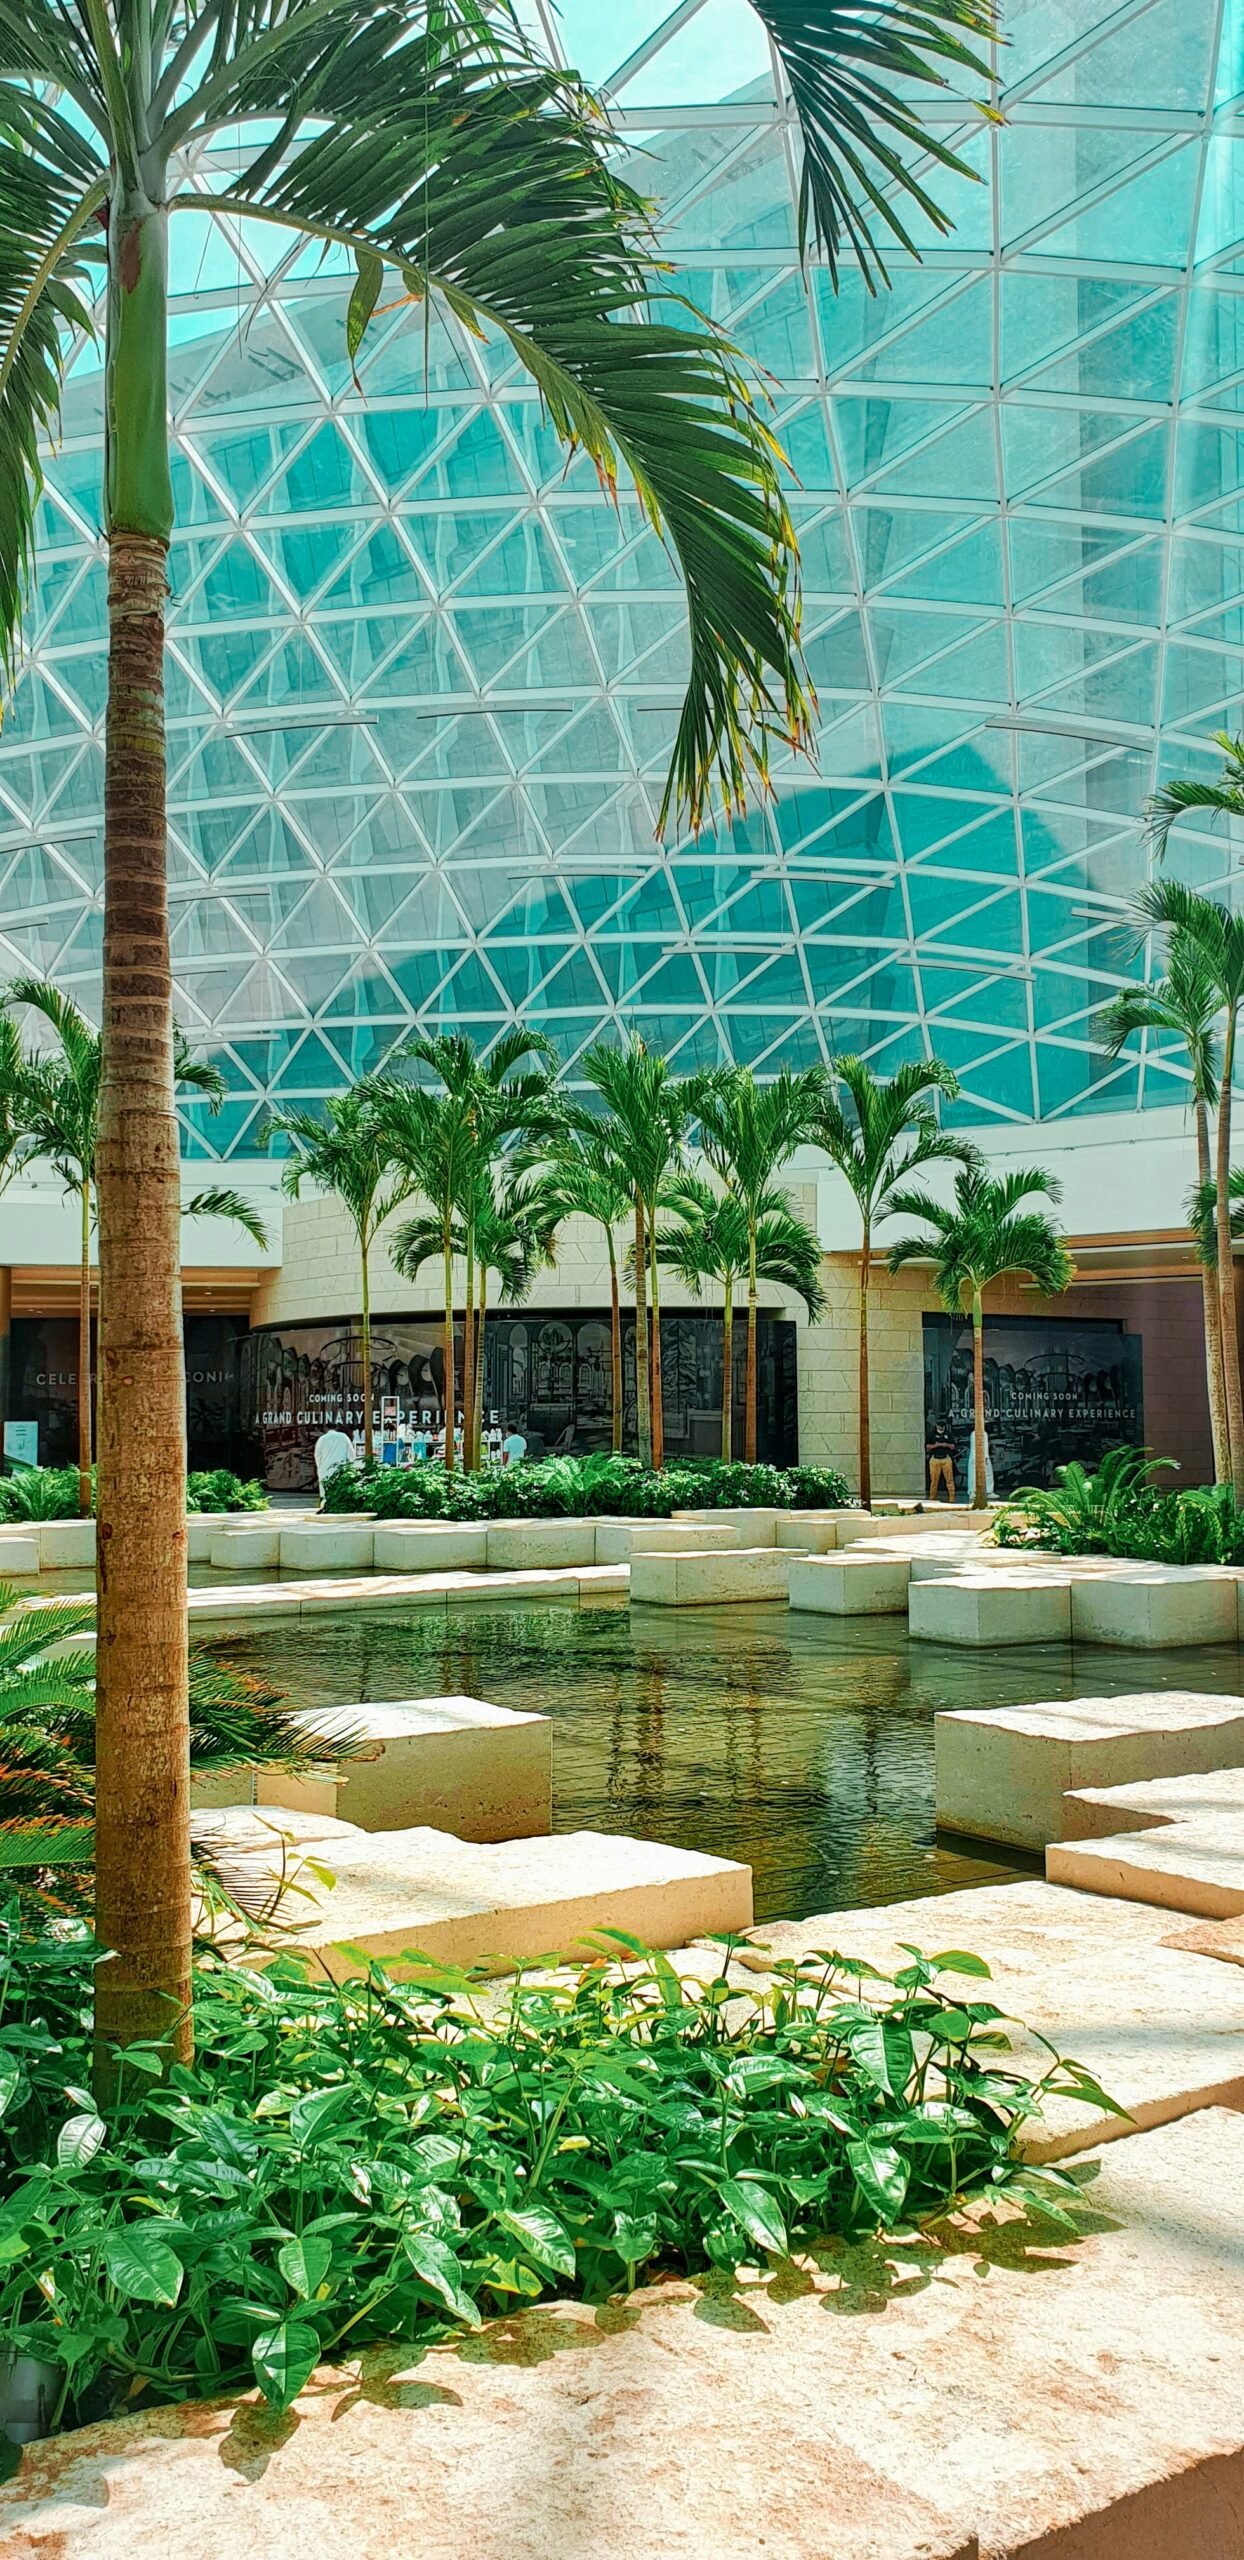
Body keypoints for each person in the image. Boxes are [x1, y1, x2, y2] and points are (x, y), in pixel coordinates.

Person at [314, 1426, 357, 1506]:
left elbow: (317, 1455)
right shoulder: (343, 1437)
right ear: (336, 1428)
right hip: (340, 1469)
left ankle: (325, 1506)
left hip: (325, 1469)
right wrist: (351, 1468)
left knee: (325, 1492)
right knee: (340, 1489)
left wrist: (320, 1467)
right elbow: (351, 1455)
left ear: (325, 1428)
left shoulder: (322, 1439)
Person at [925, 1417, 955, 1503]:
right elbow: (927, 1446)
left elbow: (953, 1446)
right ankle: (932, 1497)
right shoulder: (931, 1434)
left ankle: (952, 1497)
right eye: (939, 1425)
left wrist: (946, 1444)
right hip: (935, 1458)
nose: (941, 1427)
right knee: (934, 1480)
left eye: (942, 1426)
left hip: (946, 1458)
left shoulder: (948, 1434)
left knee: (949, 1479)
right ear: (936, 1425)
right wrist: (936, 1445)